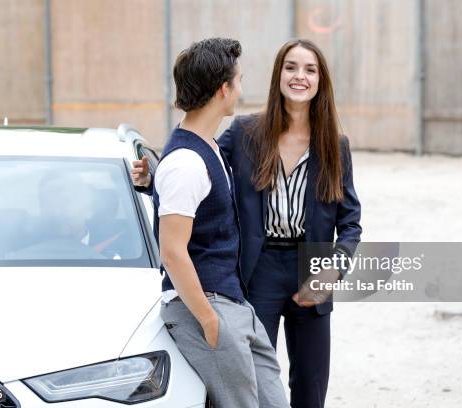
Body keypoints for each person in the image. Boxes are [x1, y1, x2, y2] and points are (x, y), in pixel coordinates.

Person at [133, 38, 362, 408]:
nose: (299, 76)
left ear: (321, 81)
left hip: (313, 268)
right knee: (251, 385)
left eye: (310, 69)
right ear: (278, 76)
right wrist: (151, 178)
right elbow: (199, 173)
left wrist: (332, 271)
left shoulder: (336, 145)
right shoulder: (244, 133)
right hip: (258, 269)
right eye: (290, 67)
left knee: (311, 385)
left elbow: (351, 224)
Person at [135, 38, 289, 408]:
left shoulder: (207, 149)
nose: (241, 88)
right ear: (224, 89)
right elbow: (172, 252)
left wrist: (152, 177)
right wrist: (208, 321)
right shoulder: (186, 163)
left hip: (235, 306)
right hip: (209, 306)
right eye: (239, 80)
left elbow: (194, 203)